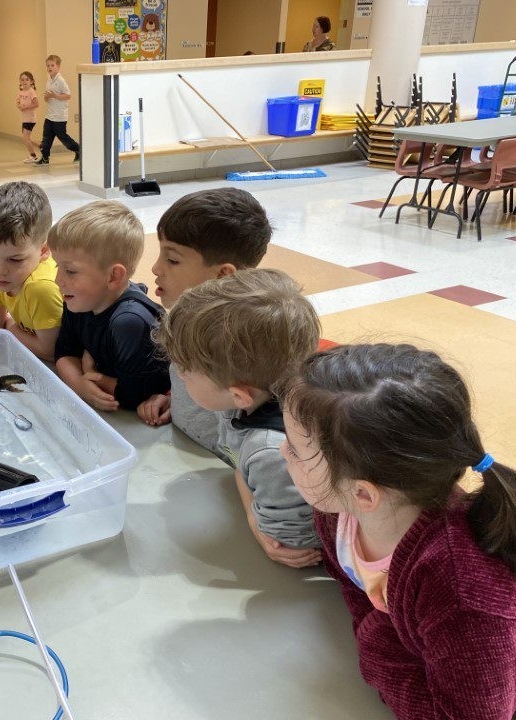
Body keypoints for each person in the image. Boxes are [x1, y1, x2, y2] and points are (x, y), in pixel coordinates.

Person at [279, 343, 516, 719]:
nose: (282, 451)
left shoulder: (462, 595)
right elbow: (356, 591)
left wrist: (379, 644)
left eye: (297, 450)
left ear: (364, 493)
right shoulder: (339, 515)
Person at [155, 269, 322, 567]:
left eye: (186, 370)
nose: (178, 374)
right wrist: (249, 504)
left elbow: (289, 545)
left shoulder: (271, 452)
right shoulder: (240, 405)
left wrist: (255, 524)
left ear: (240, 395)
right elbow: (239, 465)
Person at [137, 187, 272, 445]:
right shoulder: (183, 318)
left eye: (172, 260)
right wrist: (174, 398)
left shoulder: (242, 345)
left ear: (223, 275)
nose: (155, 268)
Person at [49, 200, 169, 411]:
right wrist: (79, 384)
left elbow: (136, 394)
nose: (58, 280)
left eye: (70, 271)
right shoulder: (78, 300)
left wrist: (91, 373)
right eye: (58, 266)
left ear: (113, 276)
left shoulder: (128, 322)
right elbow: (63, 352)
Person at [0, 181, 62, 361]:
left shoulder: (41, 289)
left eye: (15, 260)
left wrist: (10, 327)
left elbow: (50, 352)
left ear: (44, 251)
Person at [34, 54, 81, 166]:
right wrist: (47, 97)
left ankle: (79, 150)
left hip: (59, 116)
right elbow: (48, 97)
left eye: (52, 65)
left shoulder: (61, 81)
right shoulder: (49, 80)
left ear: (58, 67)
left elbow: (68, 96)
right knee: (46, 138)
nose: (49, 67)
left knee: (63, 137)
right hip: (50, 115)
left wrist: (54, 95)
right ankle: (45, 158)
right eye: (48, 65)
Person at [16, 71, 40, 163]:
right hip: (24, 119)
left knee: (25, 138)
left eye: (27, 79)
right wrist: (19, 106)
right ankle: (40, 146)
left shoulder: (31, 92)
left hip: (30, 119)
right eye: (22, 79)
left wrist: (26, 107)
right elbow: (17, 102)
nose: (24, 81)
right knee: (27, 138)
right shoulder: (21, 92)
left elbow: (36, 103)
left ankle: (33, 156)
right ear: (20, 81)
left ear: (31, 81)